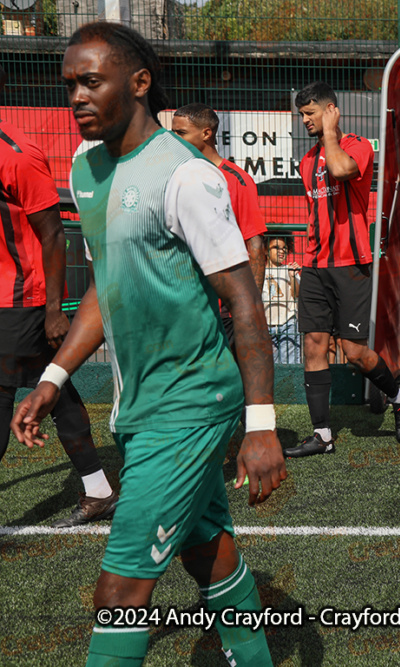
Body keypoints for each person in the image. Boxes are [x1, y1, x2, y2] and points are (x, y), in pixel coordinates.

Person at [11, 22, 287, 665]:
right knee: (206, 551)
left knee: (120, 590)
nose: (76, 97)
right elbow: (107, 289)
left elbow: (244, 301)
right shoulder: (84, 169)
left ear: (138, 84)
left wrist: (262, 424)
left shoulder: (185, 176)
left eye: (91, 81)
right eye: (69, 85)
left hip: (192, 402)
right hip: (139, 408)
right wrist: (53, 377)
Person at [0, 65, 118, 528]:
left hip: (18, 302)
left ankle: (99, 488)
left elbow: (54, 235)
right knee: (58, 390)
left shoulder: (18, 154)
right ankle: (99, 488)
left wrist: (52, 307)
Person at [284, 80, 400, 457]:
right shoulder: (307, 161)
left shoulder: (355, 146)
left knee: (354, 352)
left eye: (310, 113)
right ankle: (322, 435)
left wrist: (328, 133)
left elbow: (341, 171)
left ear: (330, 110)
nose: (304, 121)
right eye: (302, 115)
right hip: (315, 265)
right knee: (313, 345)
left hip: (351, 265)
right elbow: (315, 212)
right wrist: (305, 258)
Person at [171, 103, 267, 306]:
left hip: (222, 307)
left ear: (206, 133)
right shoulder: (172, 176)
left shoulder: (237, 180)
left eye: (181, 133)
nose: (175, 139)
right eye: (173, 133)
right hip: (181, 302)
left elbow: (255, 245)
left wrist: (253, 306)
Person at [262, 235, 301, 363]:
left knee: (290, 364)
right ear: (266, 250)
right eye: (276, 248)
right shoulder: (260, 272)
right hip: (266, 324)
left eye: (284, 248)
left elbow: (296, 294)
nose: (281, 251)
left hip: (288, 323)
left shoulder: (288, 269)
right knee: (271, 366)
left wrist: (292, 277)